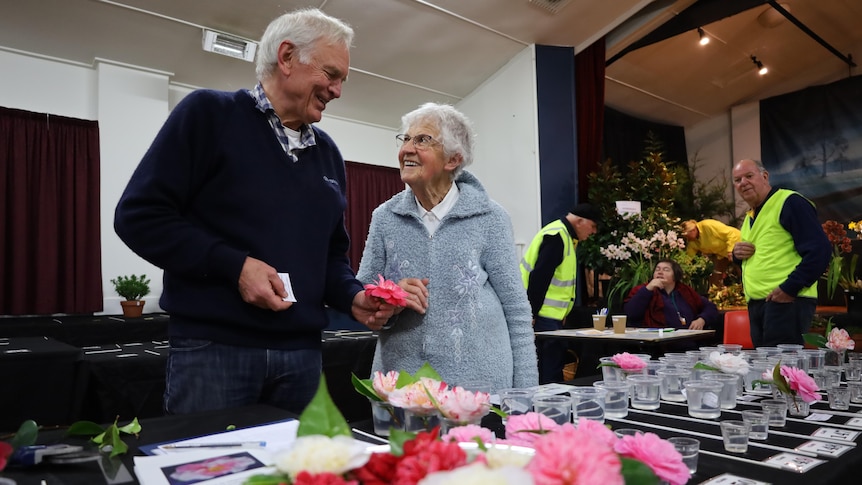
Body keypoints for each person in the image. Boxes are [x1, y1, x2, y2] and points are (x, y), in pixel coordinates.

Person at [113, 8, 395, 416]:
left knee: (297, 477)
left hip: (302, 357)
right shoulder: (208, 115)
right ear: (286, 57)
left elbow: (330, 255)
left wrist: (352, 297)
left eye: (341, 81)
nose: (337, 91)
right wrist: (235, 266)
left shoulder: (329, 154)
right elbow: (139, 215)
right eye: (331, 75)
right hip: (213, 351)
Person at [356, 102, 538, 391]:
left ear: (453, 159)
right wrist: (390, 299)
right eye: (405, 139)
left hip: (477, 389)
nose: (407, 149)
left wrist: (527, 395)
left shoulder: (491, 218)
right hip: (404, 387)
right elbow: (364, 295)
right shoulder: (385, 217)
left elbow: (516, 309)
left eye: (422, 140)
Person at [731, 159, 831, 347]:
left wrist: (790, 288)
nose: (743, 182)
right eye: (737, 180)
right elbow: (761, 255)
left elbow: (820, 250)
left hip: (786, 301)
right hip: (758, 304)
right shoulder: (749, 217)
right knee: (767, 371)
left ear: (765, 176)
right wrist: (737, 255)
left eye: (749, 176)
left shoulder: (790, 202)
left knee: (782, 370)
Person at [521, 204, 599, 383]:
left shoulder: (564, 235)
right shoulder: (557, 236)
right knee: (550, 369)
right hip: (543, 317)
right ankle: (550, 406)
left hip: (549, 317)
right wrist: (531, 312)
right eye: (593, 226)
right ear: (580, 221)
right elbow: (540, 278)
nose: (593, 232)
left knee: (549, 366)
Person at [624, 259, 718, 330]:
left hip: (686, 342)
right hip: (656, 344)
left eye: (666, 270)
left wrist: (702, 319)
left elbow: (711, 307)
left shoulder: (685, 291)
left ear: (675, 275)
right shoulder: (643, 289)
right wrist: (648, 289)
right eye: (657, 269)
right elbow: (630, 313)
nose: (660, 272)